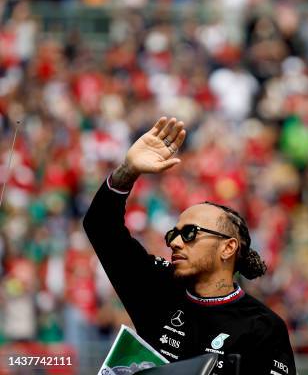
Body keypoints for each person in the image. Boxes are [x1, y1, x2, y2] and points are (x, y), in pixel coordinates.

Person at [83, 117, 296, 375]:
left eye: (189, 233)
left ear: (227, 248)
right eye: (174, 232)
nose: (174, 241)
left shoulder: (263, 327)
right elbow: (101, 227)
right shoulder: (159, 287)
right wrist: (128, 171)